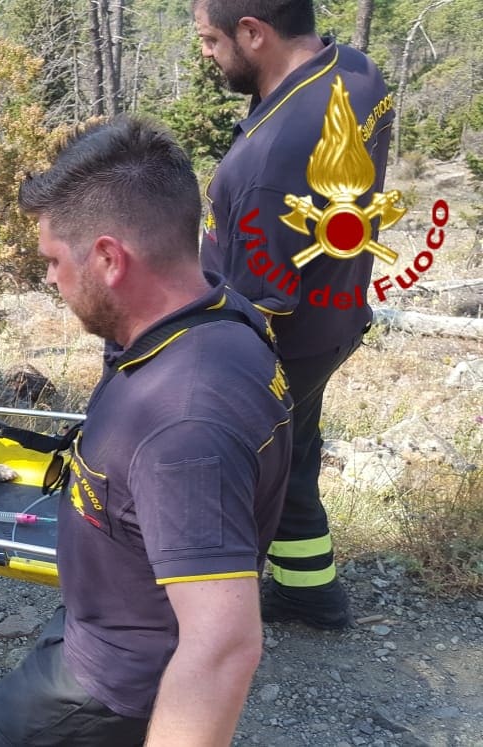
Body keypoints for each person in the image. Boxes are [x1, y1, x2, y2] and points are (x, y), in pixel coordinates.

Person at [0, 117, 292, 746]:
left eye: (54, 260)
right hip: (113, 620)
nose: (50, 280)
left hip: (112, 680)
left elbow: (223, 646)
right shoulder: (212, 313)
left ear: (108, 258)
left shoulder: (184, 424)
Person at [195, 0, 393, 629]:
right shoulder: (356, 72)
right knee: (294, 456)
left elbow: (256, 309)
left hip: (286, 339)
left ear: (253, 33)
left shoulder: (268, 162)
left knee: (229, 469)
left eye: (209, 39)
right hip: (335, 315)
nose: (206, 52)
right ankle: (312, 594)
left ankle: (206, 617)